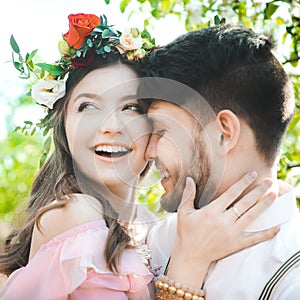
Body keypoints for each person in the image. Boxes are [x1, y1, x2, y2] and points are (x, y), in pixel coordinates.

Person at [0, 14, 279, 299]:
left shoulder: (148, 226)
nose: (109, 126)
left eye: (130, 108)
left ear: (155, 128)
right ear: (65, 128)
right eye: (87, 107)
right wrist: (189, 263)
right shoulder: (74, 215)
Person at [143, 24, 300, 299]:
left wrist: (188, 263)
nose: (149, 151)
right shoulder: (158, 239)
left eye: (162, 131)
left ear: (223, 133)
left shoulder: (292, 275)